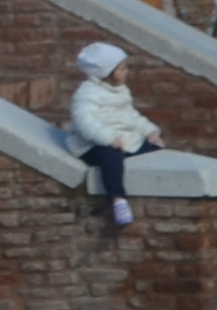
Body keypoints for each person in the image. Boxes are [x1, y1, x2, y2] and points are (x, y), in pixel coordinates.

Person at [66, 39, 157, 228]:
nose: (127, 72)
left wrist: (150, 132)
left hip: (123, 138)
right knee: (111, 158)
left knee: (153, 149)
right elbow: (84, 122)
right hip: (92, 143)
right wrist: (107, 138)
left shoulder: (121, 91)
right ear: (107, 72)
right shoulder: (87, 94)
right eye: (122, 68)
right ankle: (118, 200)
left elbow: (131, 116)